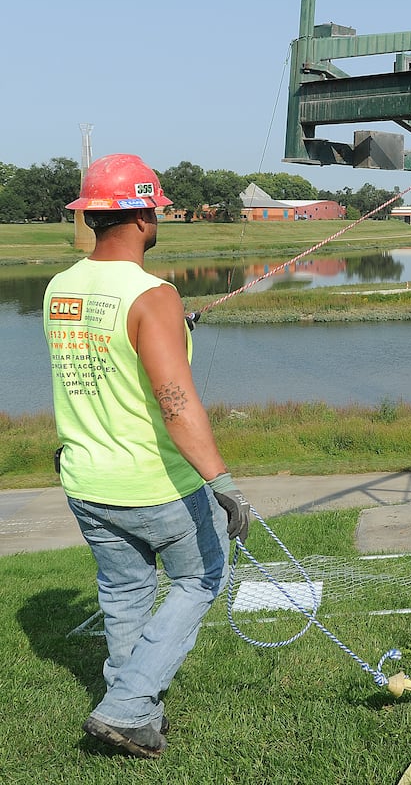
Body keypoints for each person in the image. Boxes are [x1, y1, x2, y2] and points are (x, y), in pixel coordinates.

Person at [43, 154, 251, 759]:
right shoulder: (152, 294)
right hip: (155, 485)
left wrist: (169, 327)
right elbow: (176, 405)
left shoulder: (62, 286)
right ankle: (127, 706)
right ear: (140, 217)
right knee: (202, 575)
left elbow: (97, 368)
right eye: (155, 209)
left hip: (85, 480)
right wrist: (225, 483)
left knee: (125, 594)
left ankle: (139, 717)